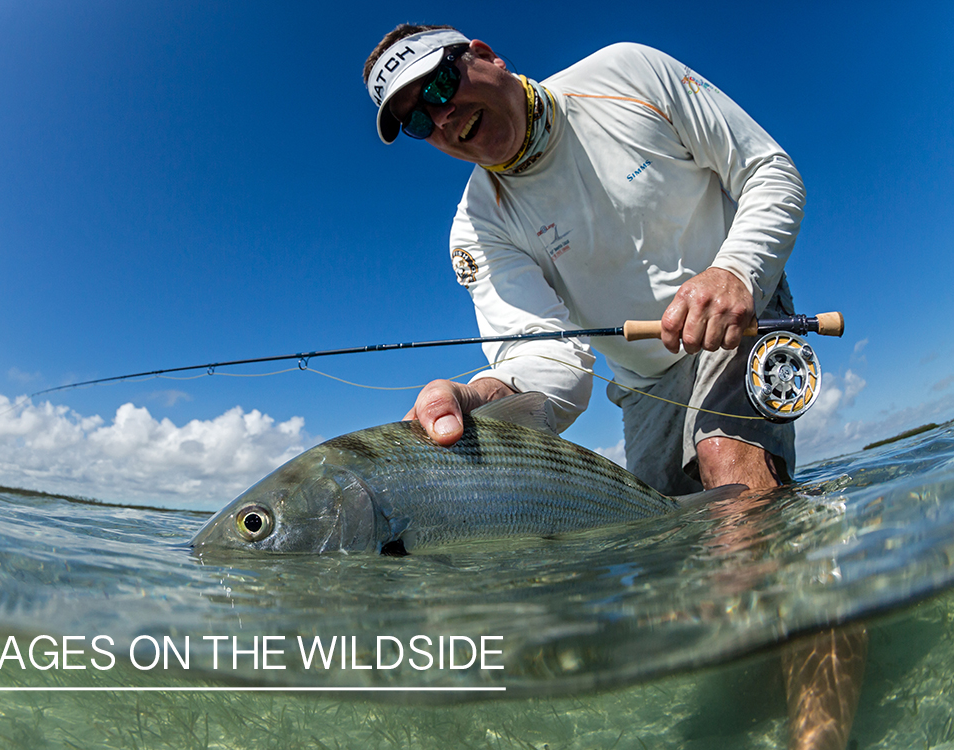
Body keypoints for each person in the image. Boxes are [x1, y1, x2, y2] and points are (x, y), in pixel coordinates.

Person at [364, 25, 864, 750]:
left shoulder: (626, 71)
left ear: (483, 54)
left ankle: (818, 738)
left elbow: (767, 170)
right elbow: (553, 375)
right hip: (640, 385)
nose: (439, 118)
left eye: (438, 86)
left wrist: (734, 272)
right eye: (415, 119)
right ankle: (774, 658)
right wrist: (477, 398)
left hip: (743, 314)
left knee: (736, 496)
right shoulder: (476, 228)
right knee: (685, 562)